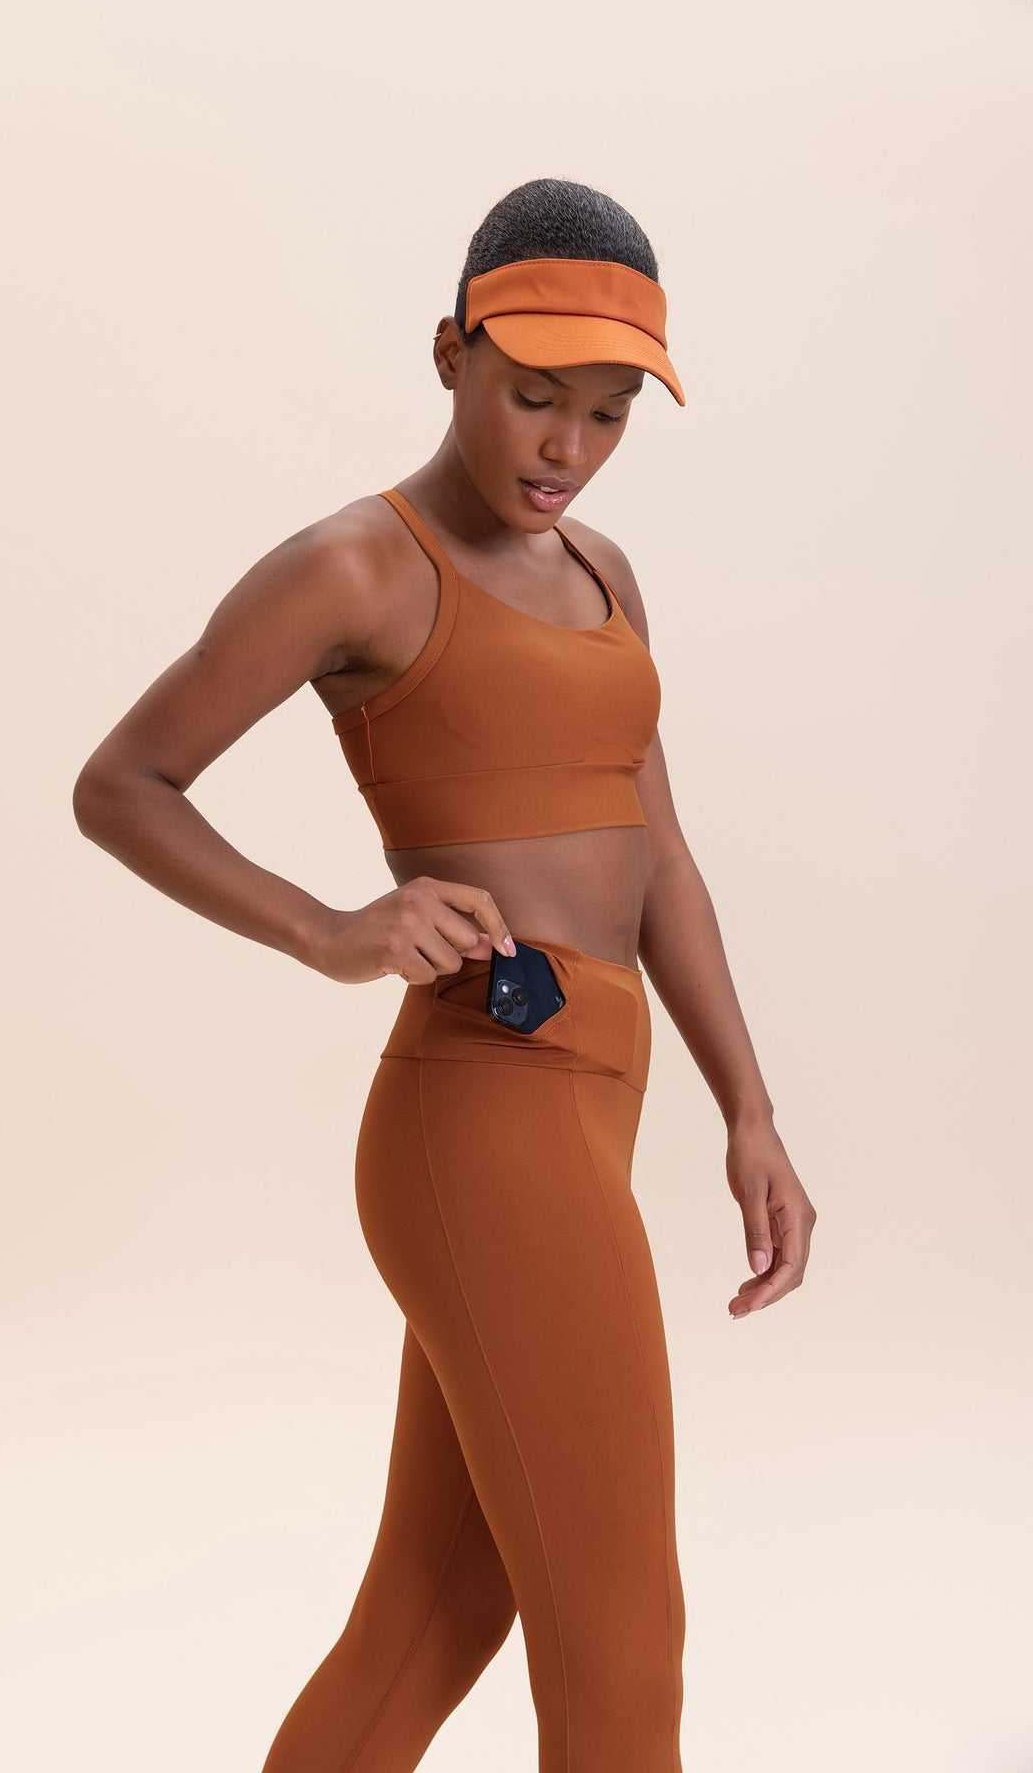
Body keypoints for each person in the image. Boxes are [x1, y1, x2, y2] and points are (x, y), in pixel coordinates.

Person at [73, 175, 817, 1772]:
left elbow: (663, 861)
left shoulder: (606, 574)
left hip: (589, 1108)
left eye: (609, 412)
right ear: (449, 353)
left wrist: (749, 1113)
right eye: (535, 395)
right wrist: (326, 928)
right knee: (622, 1649)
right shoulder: (359, 567)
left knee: (430, 1613)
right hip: (484, 1110)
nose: (568, 447)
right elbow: (123, 783)